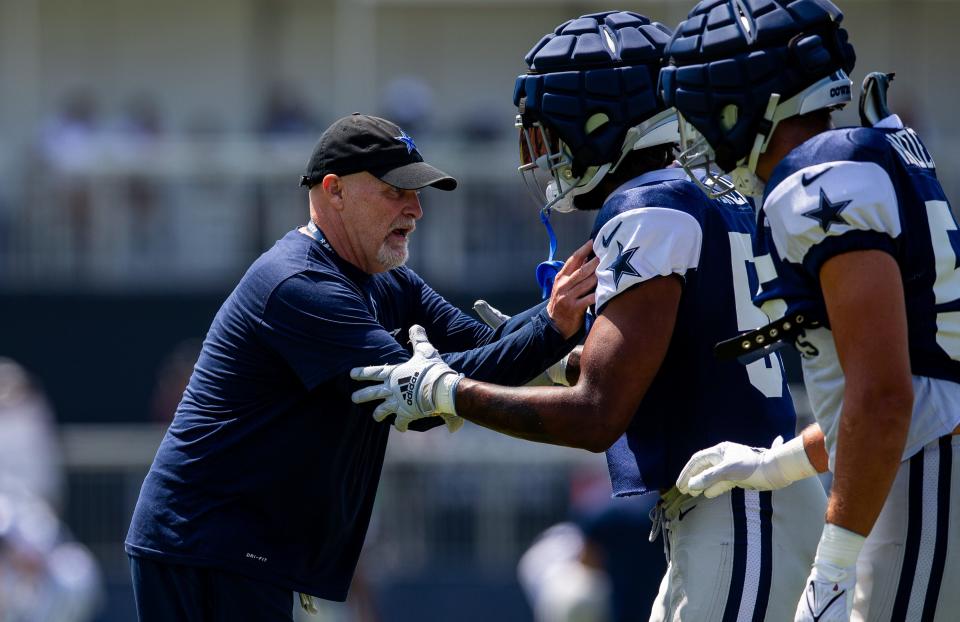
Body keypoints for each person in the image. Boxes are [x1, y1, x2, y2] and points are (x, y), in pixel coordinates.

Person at [351, 12, 826, 620]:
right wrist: (548, 360)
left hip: (740, 511)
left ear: (600, 119)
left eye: (553, 127)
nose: (544, 149)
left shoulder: (651, 204)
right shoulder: (705, 190)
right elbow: (668, 358)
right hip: (739, 508)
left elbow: (597, 414)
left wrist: (449, 392)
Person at [124, 113, 594, 620]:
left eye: (418, 193)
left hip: (241, 549)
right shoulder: (299, 283)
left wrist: (567, 327)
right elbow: (424, 398)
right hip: (204, 546)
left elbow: (484, 344)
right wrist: (552, 327)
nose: (415, 209)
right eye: (396, 191)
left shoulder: (387, 280)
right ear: (335, 190)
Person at [660, 1, 960, 619]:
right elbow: (910, 387)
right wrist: (776, 465)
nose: (695, 133)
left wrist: (834, 564)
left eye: (700, 109)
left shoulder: (812, 180)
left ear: (745, 101)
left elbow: (887, 399)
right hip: (919, 470)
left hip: (925, 481)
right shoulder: (861, 154)